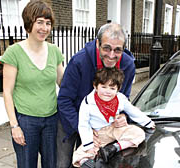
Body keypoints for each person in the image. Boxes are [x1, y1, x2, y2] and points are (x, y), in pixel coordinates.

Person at [57, 23, 136, 167]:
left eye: (117, 50)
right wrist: (83, 128)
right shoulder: (78, 61)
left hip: (100, 122)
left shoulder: (128, 65)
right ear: (97, 43)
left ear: (123, 49)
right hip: (71, 116)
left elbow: (124, 98)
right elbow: (64, 100)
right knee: (62, 163)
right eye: (106, 48)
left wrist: (124, 116)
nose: (111, 55)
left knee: (92, 161)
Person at [0, 1, 64, 167]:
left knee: (51, 164)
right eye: (40, 22)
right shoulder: (14, 53)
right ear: (29, 22)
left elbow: (63, 83)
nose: (44, 28)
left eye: (48, 23)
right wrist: (15, 126)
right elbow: (7, 92)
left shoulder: (54, 51)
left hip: (51, 119)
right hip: (26, 121)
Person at [72, 67, 155, 167]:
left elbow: (133, 111)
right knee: (80, 153)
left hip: (115, 128)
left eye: (112, 88)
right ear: (95, 86)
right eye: (104, 87)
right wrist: (89, 145)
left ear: (118, 89)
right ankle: (89, 164)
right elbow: (83, 124)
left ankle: (113, 148)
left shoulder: (120, 98)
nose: (107, 91)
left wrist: (148, 122)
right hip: (99, 134)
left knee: (139, 133)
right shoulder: (88, 102)